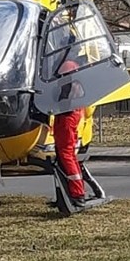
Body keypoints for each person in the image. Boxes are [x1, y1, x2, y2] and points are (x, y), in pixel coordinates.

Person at [52, 59, 86, 206]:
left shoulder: (66, 67)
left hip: (67, 115)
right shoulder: (74, 66)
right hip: (69, 114)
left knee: (66, 155)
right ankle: (70, 194)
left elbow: (61, 93)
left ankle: (77, 194)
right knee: (66, 155)